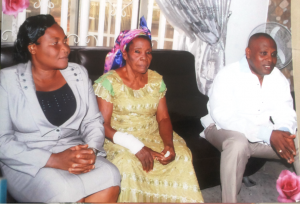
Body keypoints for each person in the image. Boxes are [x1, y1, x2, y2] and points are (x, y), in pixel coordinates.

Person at [0, 14, 120, 203]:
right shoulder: (6, 81)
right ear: (33, 48)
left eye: (64, 40)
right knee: (65, 190)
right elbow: (2, 142)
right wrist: (53, 159)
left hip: (73, 151)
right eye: (55, 43)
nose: (65, 48)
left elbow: (92, 121)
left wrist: (91, 151)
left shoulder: (78, 73)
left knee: (110, 174)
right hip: (28, 161)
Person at [93, 17, 204, 203]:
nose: (144, 58)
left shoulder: (156, 80)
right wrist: (135, 146)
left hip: (152, 134)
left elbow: (163, 118)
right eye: (137, 52)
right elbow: (102, 126)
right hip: (119, 139)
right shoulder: (108, 82)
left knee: (182, 156)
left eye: (148, 53)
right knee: (128, 163)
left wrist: (168, 144)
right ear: (125, 53)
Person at [200, 33, 299, 203]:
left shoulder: (277, 78)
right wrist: (267, 134)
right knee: (238, 143)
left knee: (296, 140)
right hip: (220, 129)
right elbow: (224, 116)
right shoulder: (228, 74)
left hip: (260, 136)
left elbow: (285, 110)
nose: (270, 60)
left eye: (273, 54)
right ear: (248, 52)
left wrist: (283, 132)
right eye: (264, 53)